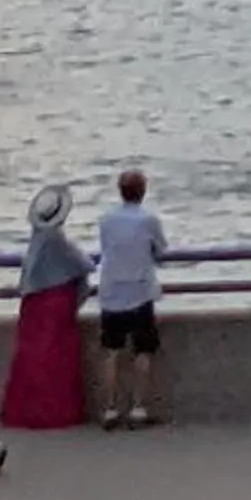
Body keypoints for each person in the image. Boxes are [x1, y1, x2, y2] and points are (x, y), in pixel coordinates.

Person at [0, 183, 91, 433]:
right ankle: (56, 412)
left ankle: (26, 410)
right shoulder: (57, 240)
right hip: (56, 303)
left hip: (34, 305)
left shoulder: (35, 242)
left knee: (32, 355)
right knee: (57, 355)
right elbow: (83, 264)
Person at [94, 170, 166, 431]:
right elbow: (160, 251)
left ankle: (110, 409)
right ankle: (138, 408)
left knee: (111, 351)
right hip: (140, 292)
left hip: (111, 291)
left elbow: (105, 250)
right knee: (143, 351)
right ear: (143, 191)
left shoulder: (106, 220)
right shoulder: (149, 220)